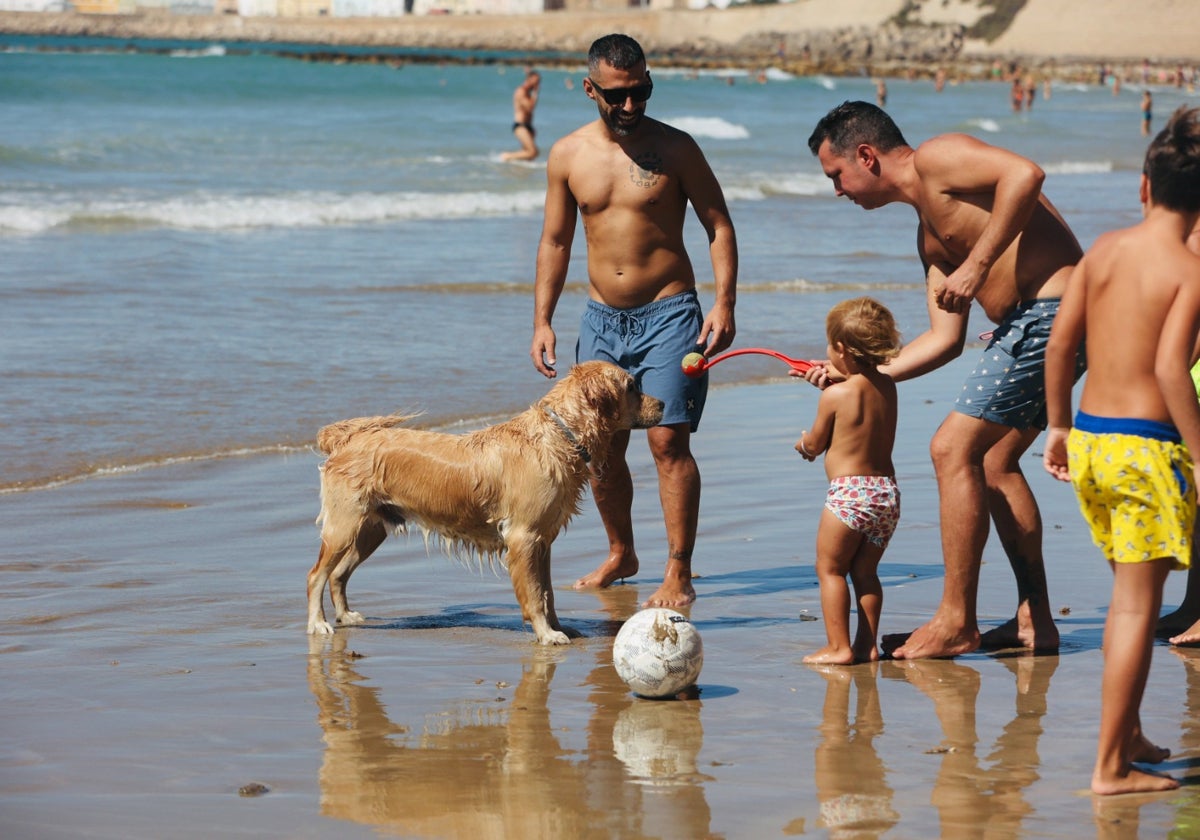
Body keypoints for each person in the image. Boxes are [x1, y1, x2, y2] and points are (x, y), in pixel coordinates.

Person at [805, 100, 1085, 659]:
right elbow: (943, 340)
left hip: (1055, 311)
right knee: (993, 463)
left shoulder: (939, 157)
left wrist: (978, 264)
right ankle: (1035, 619)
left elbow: (1025, 175)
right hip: (1035, 327)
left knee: (950, 449)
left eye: (837, 175)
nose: (838, 190)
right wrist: (853, 374)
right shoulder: (928, 240)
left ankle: (957, 619)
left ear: (866, 155)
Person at [530, 34, 738, 607]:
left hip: (671, 315)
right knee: (600, 450)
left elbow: (718, 225)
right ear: (590, 88)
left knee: (669, 442)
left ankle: (679, 571)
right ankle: (622, 551)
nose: (630, 106)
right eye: (617, 95)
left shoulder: (677, 149)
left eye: (641, 92)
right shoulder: (568, 155)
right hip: (600, 319)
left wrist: (725, 303)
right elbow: (555, 240)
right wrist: (542, 319)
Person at [1042, 106, 1200, 795]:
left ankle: (1127, 733)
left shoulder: (1103, 249)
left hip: (1092, 441)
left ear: (1144, 186)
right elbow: (1172, 370)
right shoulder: (1192, 271)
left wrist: (1055, 427)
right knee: (1136, 607)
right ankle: (1110, 768)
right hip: (1146, 450)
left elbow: (1059, 344)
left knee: (1125, 595)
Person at [795, 298, 901, 665]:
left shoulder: (834, 395)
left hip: (849, 497)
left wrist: (804, 443)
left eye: (829, 346)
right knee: (866, 572)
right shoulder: (888, 386)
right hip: (886, 495)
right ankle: (865, 646)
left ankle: (837, 648)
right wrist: (839, 376)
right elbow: (862, 392)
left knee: (830, 569)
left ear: (841, 349)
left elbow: (816, 444)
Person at [500, 69, 541, 162]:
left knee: (528, 156)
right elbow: (530, 108)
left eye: (539, 82)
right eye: (536, 81)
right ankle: (506, 156)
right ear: (529, 79)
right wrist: (535, 93)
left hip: (528, 126)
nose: (538, 84)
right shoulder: (520, 91)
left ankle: (521, 173)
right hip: (520, 126)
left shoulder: (528, 93)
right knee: (533, 152)